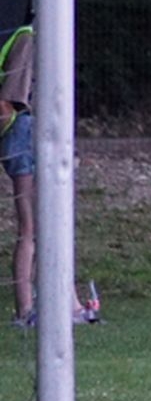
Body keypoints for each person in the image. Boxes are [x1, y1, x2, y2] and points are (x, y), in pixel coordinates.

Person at [0, 18, 97, 328]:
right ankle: (28, 310)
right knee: (33, 226)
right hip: (27, 134)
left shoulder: (30, 37)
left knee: (48, 223)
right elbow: (11, 98)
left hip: (28, 134)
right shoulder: (29, 39)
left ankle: (67, 304)